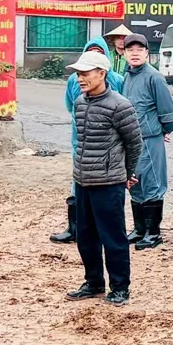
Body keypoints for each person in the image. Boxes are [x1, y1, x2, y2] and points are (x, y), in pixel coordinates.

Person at [63, 47, 142, 305]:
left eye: (85, 73)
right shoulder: (80, 103)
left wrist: (127, 173)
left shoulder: (120, 106)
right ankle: (94, 282)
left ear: (102, 73)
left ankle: (120, 288)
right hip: (83, 181)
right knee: (85, 237)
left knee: (114, 238)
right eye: (77, 74)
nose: (79, 78)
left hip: (109, 183)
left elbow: (134, 144)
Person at [51, 36, 124, 243]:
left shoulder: (117, 80)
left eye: (98, 54)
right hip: (81, 139)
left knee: (107, 189)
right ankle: (75, 228)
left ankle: (105, 231)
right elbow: (70, 105)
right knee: (79, 183)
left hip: (109, 144)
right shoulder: (74, 80)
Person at [119, 34, 173, 249]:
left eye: (139, 50)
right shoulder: (128, 76)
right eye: (130, 50)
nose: (134, 53)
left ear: (146, 53)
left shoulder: (154, 77)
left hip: (149, 138)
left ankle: (153, 233)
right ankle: (139, 228)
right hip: (130, 139)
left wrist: (163, 130)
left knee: (152, 183)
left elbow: (167, 110)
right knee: (134, 181)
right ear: (124, 54)